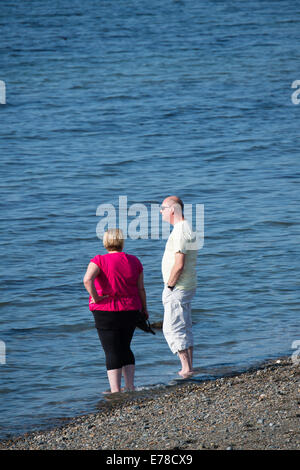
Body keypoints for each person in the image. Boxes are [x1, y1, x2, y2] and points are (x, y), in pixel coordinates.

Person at [83, 228, 148, 393]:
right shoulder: (134, 261)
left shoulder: (99, 260)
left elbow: (87, 280)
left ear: (105, 242)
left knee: (111, 350)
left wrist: (96, 298)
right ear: (122, 242)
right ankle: (130, 386)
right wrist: (144, 309)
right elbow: (141, 289)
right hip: (131, 309)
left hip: (106, 311)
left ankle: (115, 390)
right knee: (125, 347)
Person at [160, 196, 198, 378]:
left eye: (162, 208)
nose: (161, 212)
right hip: (185, 285)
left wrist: (169, 286)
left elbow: (179, 264)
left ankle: (186, 367)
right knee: (184, 325)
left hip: (178, 287)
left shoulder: (181, 230)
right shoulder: (184, 228)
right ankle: (189, 366)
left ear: (172, 210)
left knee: (172, 327)